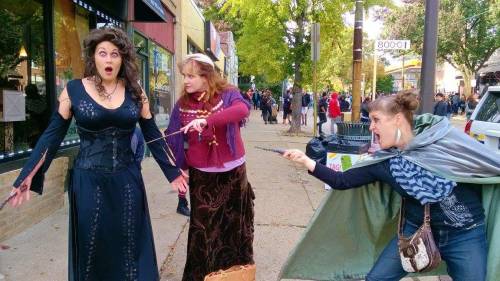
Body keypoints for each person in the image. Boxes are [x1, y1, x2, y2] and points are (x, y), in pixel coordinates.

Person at [9, 28, 188, 280]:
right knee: (93, 247)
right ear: (93, 58)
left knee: (129, 246)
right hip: (88, 182)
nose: (109, 59)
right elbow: (52, 136)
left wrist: (172, 170)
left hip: (127, 182)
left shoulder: (136, 92)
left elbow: (152, 136)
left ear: (122, 59)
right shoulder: (74, 90)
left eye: (115, 54)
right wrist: (28, 174)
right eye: (102, 53)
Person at [282, 91, 500, 281]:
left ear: (397, 119)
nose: (371, 127)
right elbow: (341, 181)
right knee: (377, 278)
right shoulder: (384, 161)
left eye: (376, 120)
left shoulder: (441, 142)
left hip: (465, 233)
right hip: (414, 231)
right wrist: (305, 160)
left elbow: (487, 165)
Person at [165, 53, 255, 281]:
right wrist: (180, 168)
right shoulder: (182, 105)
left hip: (234, 174)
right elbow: (174, 138)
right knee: (203, 231)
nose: (186, 81)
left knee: (234, 227)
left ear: (206, 77)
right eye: (184, 75)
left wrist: (207, 121)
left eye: (191, 76)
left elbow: (242, 111)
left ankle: (234, 275)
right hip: (202, 177)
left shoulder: (228, 94)